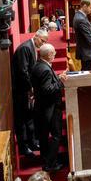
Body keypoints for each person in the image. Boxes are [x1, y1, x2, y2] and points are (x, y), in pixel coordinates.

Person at [30, 44, 68, 172]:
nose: (55, 54)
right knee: (56, 135)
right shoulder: (45, 69)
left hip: (42, 107)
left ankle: (46, 160)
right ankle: (50, 163)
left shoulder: (38, 65)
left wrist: (57, 77)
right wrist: (60, 81)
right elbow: (47, 89)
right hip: (50, 108)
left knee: (44, 136)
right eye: (53, 53)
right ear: (49, 55)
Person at [13, 28, 49, 155]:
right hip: (20, 90)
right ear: (36, 36)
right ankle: (23, 147)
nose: (43, 44)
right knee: (21, 120)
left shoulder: (32, 47)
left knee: (29, 118)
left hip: (26, 90)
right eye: (42, 41)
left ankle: (32, 143)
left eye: (45, 42)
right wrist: (31, 87)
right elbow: (23, 71)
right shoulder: (25, 48)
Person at [73, 0, 91, 72]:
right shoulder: (81, 19)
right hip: (86, 51)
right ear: (84, 6)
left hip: (85, 50)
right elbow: (88, 37)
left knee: (86, 71)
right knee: (86, 73)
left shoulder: (80, 15)